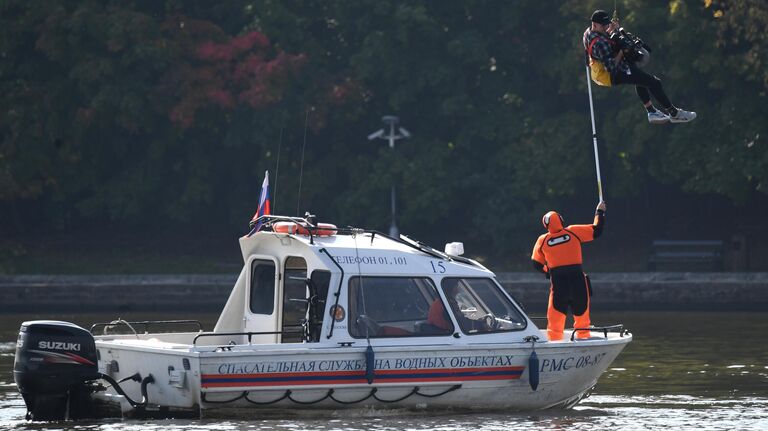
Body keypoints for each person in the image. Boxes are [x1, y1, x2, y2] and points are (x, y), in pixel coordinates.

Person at [583, 9, 696, 124]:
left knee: (639, 76)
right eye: (604, 26)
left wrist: (612, 30)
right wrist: (622, 51)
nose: (606, 27)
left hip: (600, 71)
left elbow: (605, 45)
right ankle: (674, 114)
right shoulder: (600, 43)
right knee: (654, 82)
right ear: (594, 24)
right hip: (610, 74)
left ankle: (652, 112)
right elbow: (611, 67)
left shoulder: (588, 32)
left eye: (608, 24)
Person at [531, 202, 606, 341]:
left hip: (559, 284)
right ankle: (584, 336)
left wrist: (548, 271)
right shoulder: (573, 231)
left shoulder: (542, 240)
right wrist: (599, 212)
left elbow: (536, 263)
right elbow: (597, 230)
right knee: (581, 312)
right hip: (577, 280)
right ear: (561, 220)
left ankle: (554, 340)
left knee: (555, 316)